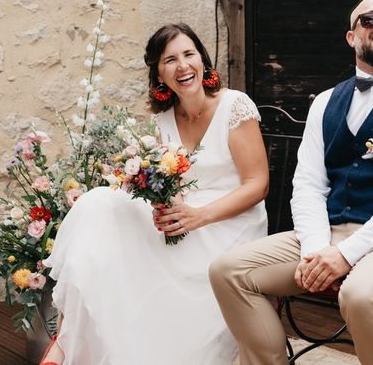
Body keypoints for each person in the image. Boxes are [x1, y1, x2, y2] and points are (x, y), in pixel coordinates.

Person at [209, 0, 373, 365]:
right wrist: (317, 250)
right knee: (228, 272)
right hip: (331, 233)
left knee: (361, 293)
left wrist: (345, 255)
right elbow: (309, 184)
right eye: (369, 19)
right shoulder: (326, 101)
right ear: (351, 37)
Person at [40, 23, 269, 364]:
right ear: (160, 75)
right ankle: (73, 336)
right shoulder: (164, 119)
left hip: (230, 225)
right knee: (101, 204)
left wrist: (198, 216)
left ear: (203, 61)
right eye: (170, 60)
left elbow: (257, 184)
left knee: (135, 262)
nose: (183, 66)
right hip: (184, 222)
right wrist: (167, 204)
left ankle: (66, 343)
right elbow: (172, 183)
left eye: (189, 55)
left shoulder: (234, 105)